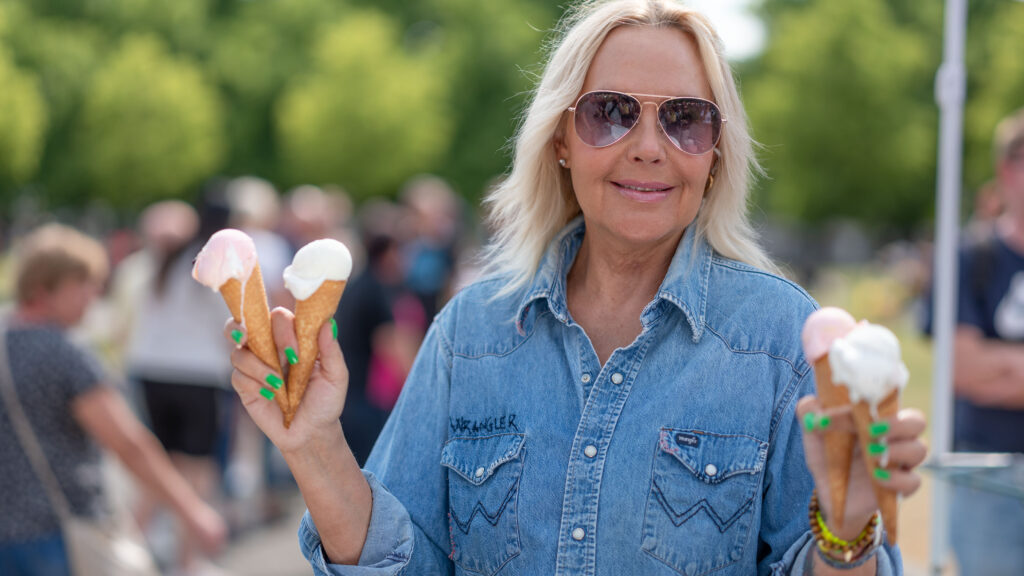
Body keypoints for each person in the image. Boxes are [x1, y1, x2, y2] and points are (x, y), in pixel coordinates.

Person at [225, 1, 927, 574]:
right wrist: (313, 445)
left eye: (684, 118)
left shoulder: (778, 340)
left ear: (716, 154)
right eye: (610, 112)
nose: (648, 145)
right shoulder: (471, 334)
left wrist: (845, 529)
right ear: (561, 137)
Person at [0, 224, 226, 576]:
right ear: (45, 289)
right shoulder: (64, 352)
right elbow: (128, 443)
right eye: (82, 285)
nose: (93, 296)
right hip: (61, 529)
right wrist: (192, 511)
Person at [928, 108, 1024, 574]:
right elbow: (962, 369)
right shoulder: (971, 256)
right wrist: (980, 369)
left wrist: (1000, 368)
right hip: (986, 477)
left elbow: (982, 367)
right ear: (1008, 169)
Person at [122, 199, 234, 574]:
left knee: (158, 468)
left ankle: (127, 549)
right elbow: (230, 324)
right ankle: (188, 561)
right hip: (197, 377)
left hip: (151, 372)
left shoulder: (147, 265)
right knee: (195, 472)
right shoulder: (209, 268)